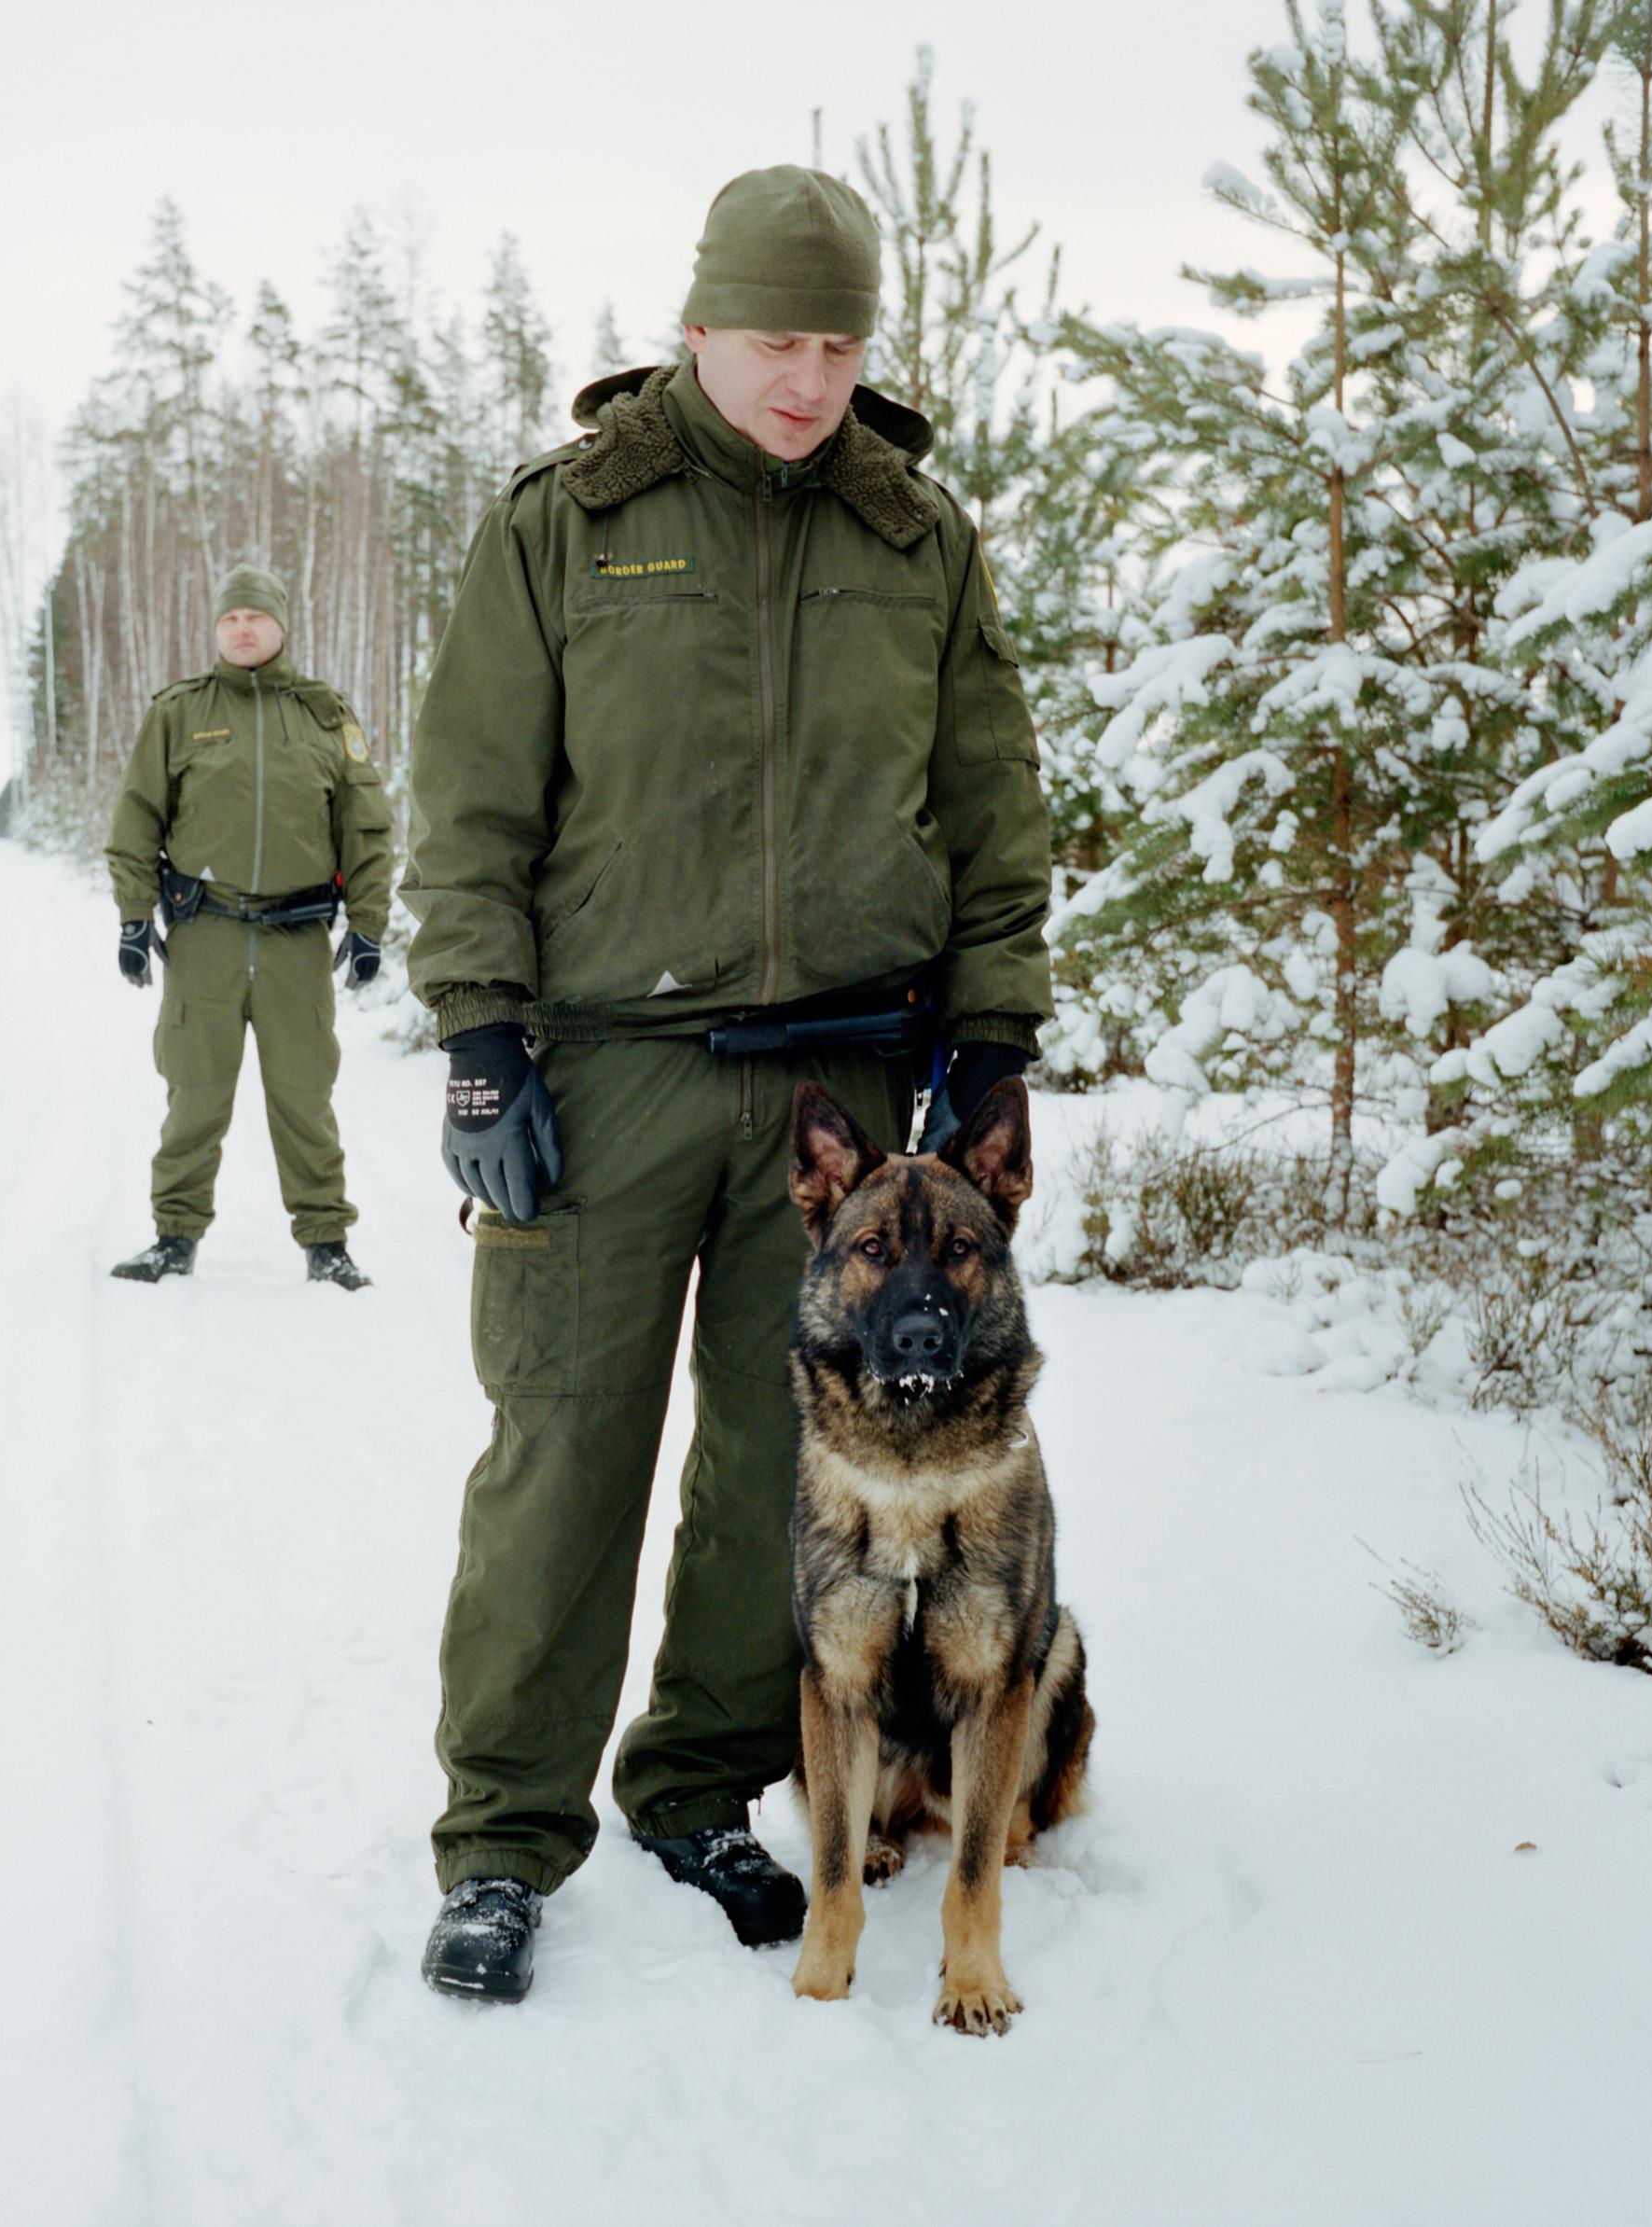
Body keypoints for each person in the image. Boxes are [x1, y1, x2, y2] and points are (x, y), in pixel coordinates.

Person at [400, 166, 1055, 2000]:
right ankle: (501, 1836)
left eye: (839, 341)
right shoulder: (566, 521)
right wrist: (477, 1033)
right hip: (600, 1072)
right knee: (560, 1452)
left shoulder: (914, 538)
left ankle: (700, 1778)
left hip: (842, 1091)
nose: (807, 377)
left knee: (786, 1467)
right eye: (776, 337)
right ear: (696, 325)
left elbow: (994, 809)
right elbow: (466, 800)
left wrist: (989, 1031)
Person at [104, 563, 392, 1291]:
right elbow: (136, 820)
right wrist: (135, 918)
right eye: (230, 618)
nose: (242, 628)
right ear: (216, 629)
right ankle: (174, 1236)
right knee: (193, 1093)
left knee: (304, 1097)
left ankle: (326, 1242)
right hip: (206, 935)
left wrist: (367, 927)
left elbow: (364, 828)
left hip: (297, 941)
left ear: (280, 626)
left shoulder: (325, 714)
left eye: (255, 617)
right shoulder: (178, 712)